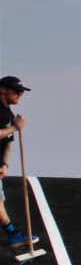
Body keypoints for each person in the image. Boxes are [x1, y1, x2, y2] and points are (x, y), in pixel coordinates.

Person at [0, 75, 28, 248]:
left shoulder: (8, 113)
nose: (20, 94)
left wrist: (4, 164)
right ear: (3, 90)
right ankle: (13, 234)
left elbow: (8, 142)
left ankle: (13, 234)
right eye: (17, 91)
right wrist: (15, 127)